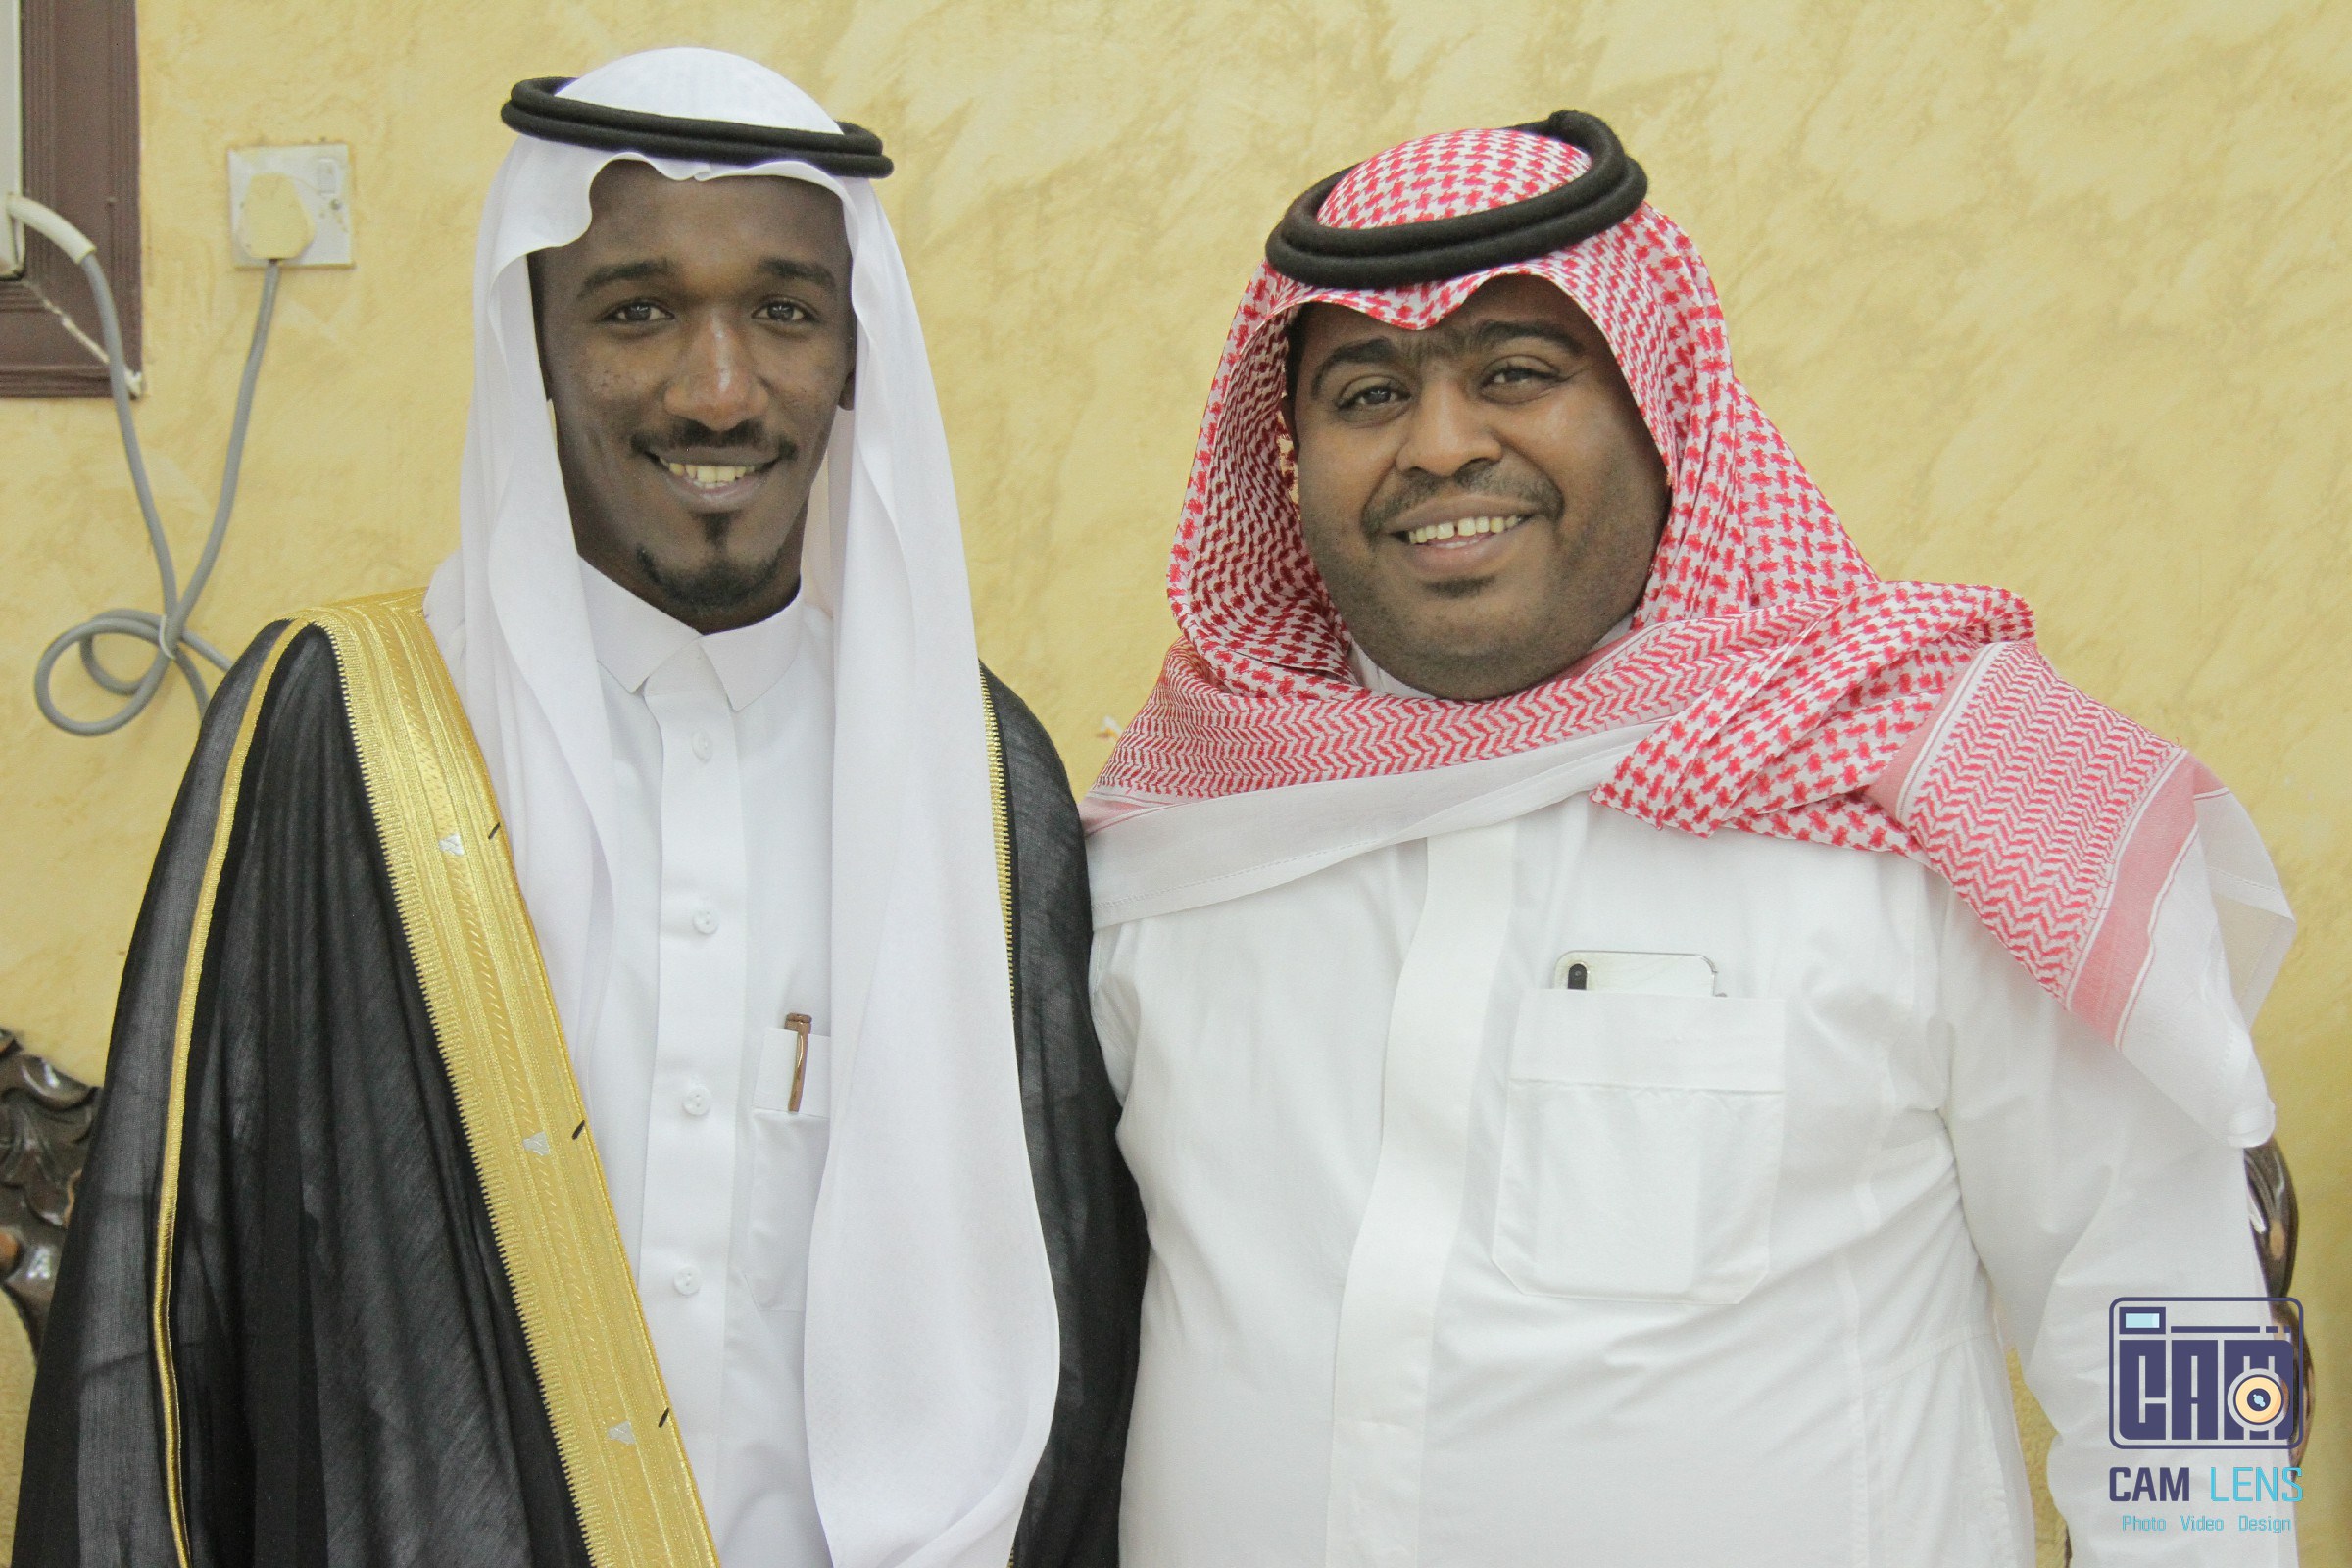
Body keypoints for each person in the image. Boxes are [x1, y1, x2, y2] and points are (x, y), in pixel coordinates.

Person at [1084, 113, 2296, 1565]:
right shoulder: (1185, 838)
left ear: (1660, 410)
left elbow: (2171, 1307)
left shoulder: (1925, 788)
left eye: (1517, 373)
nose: (1441, 444)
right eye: (1368, 393)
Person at [17, 48, 1141, 1568]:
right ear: (533, 344)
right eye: (636, 312)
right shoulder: (342, 726)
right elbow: (172, 1295)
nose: (718, 390)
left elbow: (1077, 1311)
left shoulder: (979, 784)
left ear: (854, 356)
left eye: (785, 314)